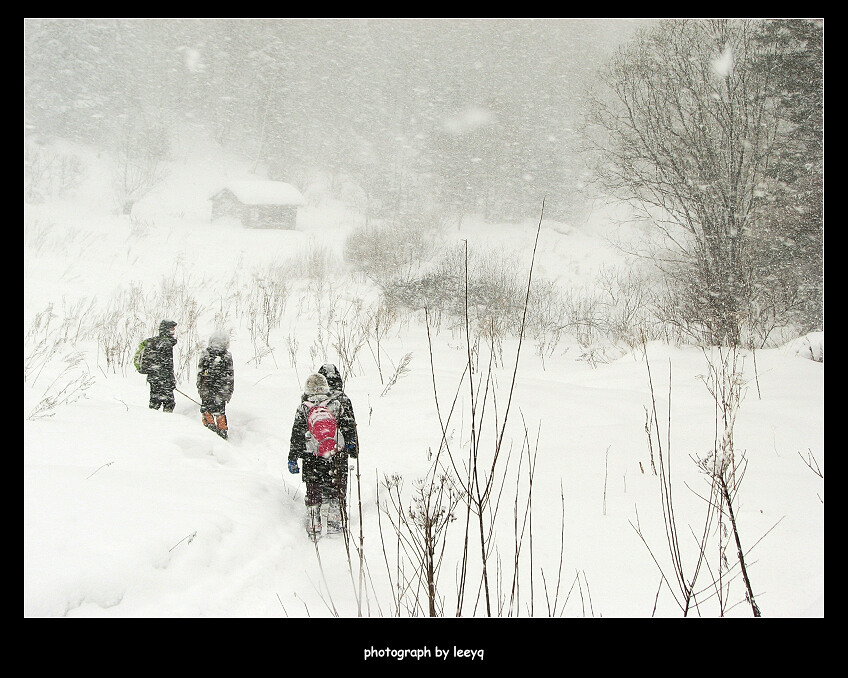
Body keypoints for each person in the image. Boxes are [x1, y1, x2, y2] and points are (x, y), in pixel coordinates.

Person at [288, 368, 359, 539]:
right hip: (336, 456)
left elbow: (297, 435)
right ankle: (336, 518)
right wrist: (351, 448)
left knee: (313, 488)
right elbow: (348, 428)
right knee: (336, 486)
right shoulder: (336, 405)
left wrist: (293, 457)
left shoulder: (303, 409)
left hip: (312, 457)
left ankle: (314, 521)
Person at [196, 330, 234, 439]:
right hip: (222, 390)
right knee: (220, 411)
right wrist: (229, 391)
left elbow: (200, 373)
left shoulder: (205, 355)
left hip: (206, 389)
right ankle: (222, 430)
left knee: (206, 409)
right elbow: (230, 376)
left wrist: (200, 387)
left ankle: (209, 427)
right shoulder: (226, 356)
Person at [147, 319, 177, 412]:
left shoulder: (155, 341)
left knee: (154, 402)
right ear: (166, 330)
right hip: (163, 379)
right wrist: (171, 381)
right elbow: (167, 365)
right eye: (171, 329)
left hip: (154, 377)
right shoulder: (166, 344)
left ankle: (151, 420)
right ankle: (165, 423)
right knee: (169, 403)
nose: (173, 332)